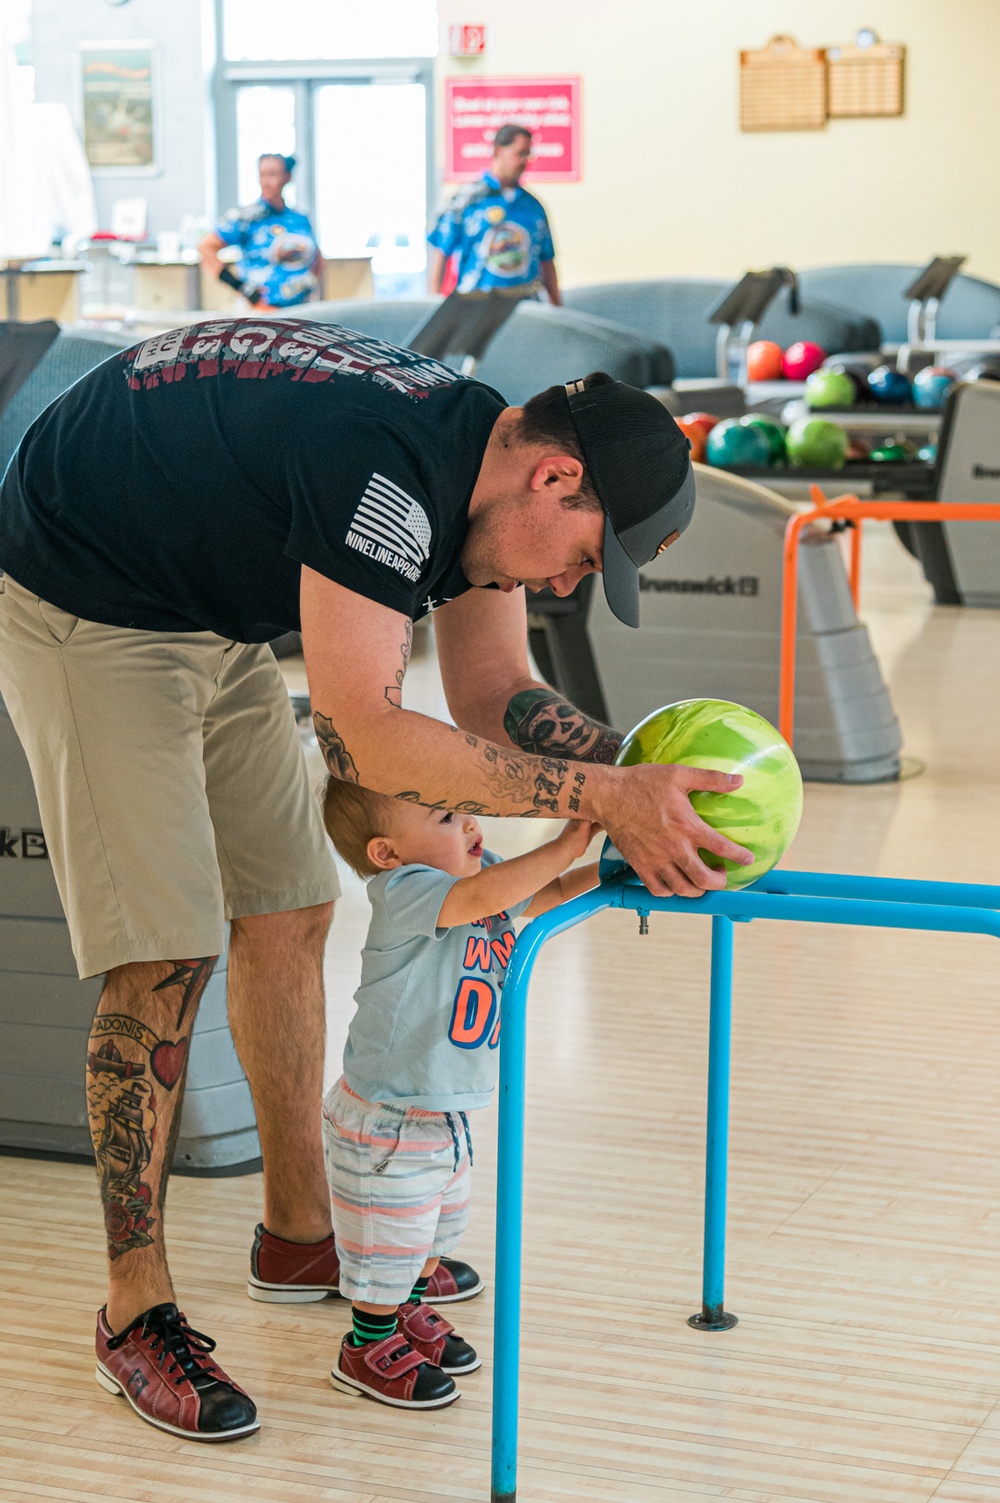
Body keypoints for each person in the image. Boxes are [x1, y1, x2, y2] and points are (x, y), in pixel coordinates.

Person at [0, 313, 752, 1442]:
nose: (564, 585)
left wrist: (645, 774)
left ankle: (301, 1229)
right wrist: (600, 803)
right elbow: (374, 737)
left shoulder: (482, 480)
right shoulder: (386, 473)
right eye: (584, 557)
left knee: (291, 904)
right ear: (554, 476)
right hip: (85, 600)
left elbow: (495, 689)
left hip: (206, 604)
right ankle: (132, 1308)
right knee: (165, 951)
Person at [321, 778, 600, 1408]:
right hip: (386, 1122)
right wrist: (569, 839)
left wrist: (610, 872)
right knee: (386, 1250)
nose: (472, 825)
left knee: (430, 1239)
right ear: (387, 853)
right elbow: (485, 896)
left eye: (467, 813)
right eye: (449, 817)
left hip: (441, 1114)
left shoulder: (478, 881)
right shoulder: (406, 892)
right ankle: (364, 1347)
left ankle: (406, 1317)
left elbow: (545, 895)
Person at [428, 124, 561, 303]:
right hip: (475, 306)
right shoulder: (465, 201)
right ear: (498, 151)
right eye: (520, 153)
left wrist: (557, 308)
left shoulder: (533, 206)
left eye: (528, 155)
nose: (525, 161)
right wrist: (434, 304)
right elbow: (441, 255)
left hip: (524, 308)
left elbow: (547, 264)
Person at [199, 153, 323, 311]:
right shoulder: (247, 218)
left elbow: (317, 258)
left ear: (287, 177)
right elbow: (205, 247)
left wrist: (310, 281)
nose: (266, 182)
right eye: (262, 175)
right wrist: (243, 288)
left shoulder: (300, 220)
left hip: (299, 309)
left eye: (272, 174)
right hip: (261, 312)